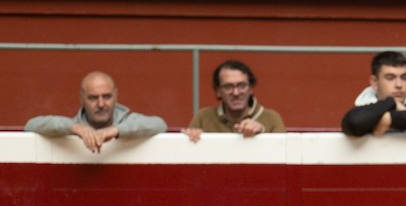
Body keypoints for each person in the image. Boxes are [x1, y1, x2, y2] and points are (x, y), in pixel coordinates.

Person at [25, 71, 167, 154]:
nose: (101, 104)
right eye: (93, 98)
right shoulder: (73, 126)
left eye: (107, 97)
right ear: (82, 99)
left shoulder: (128, 121)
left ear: (116, 96)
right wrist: (74, 128)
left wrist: (115, 130)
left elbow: (160, 124)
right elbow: (31, 125)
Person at [184, 60, 286, 142]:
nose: (236, 93)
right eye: (228, 87)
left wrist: (261, 133)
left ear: (251, 89)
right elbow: (187, 154)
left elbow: (282, 155)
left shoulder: (272, 118)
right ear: (218, 91)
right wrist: (192, 139)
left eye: (242, 86)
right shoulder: (203, 117)